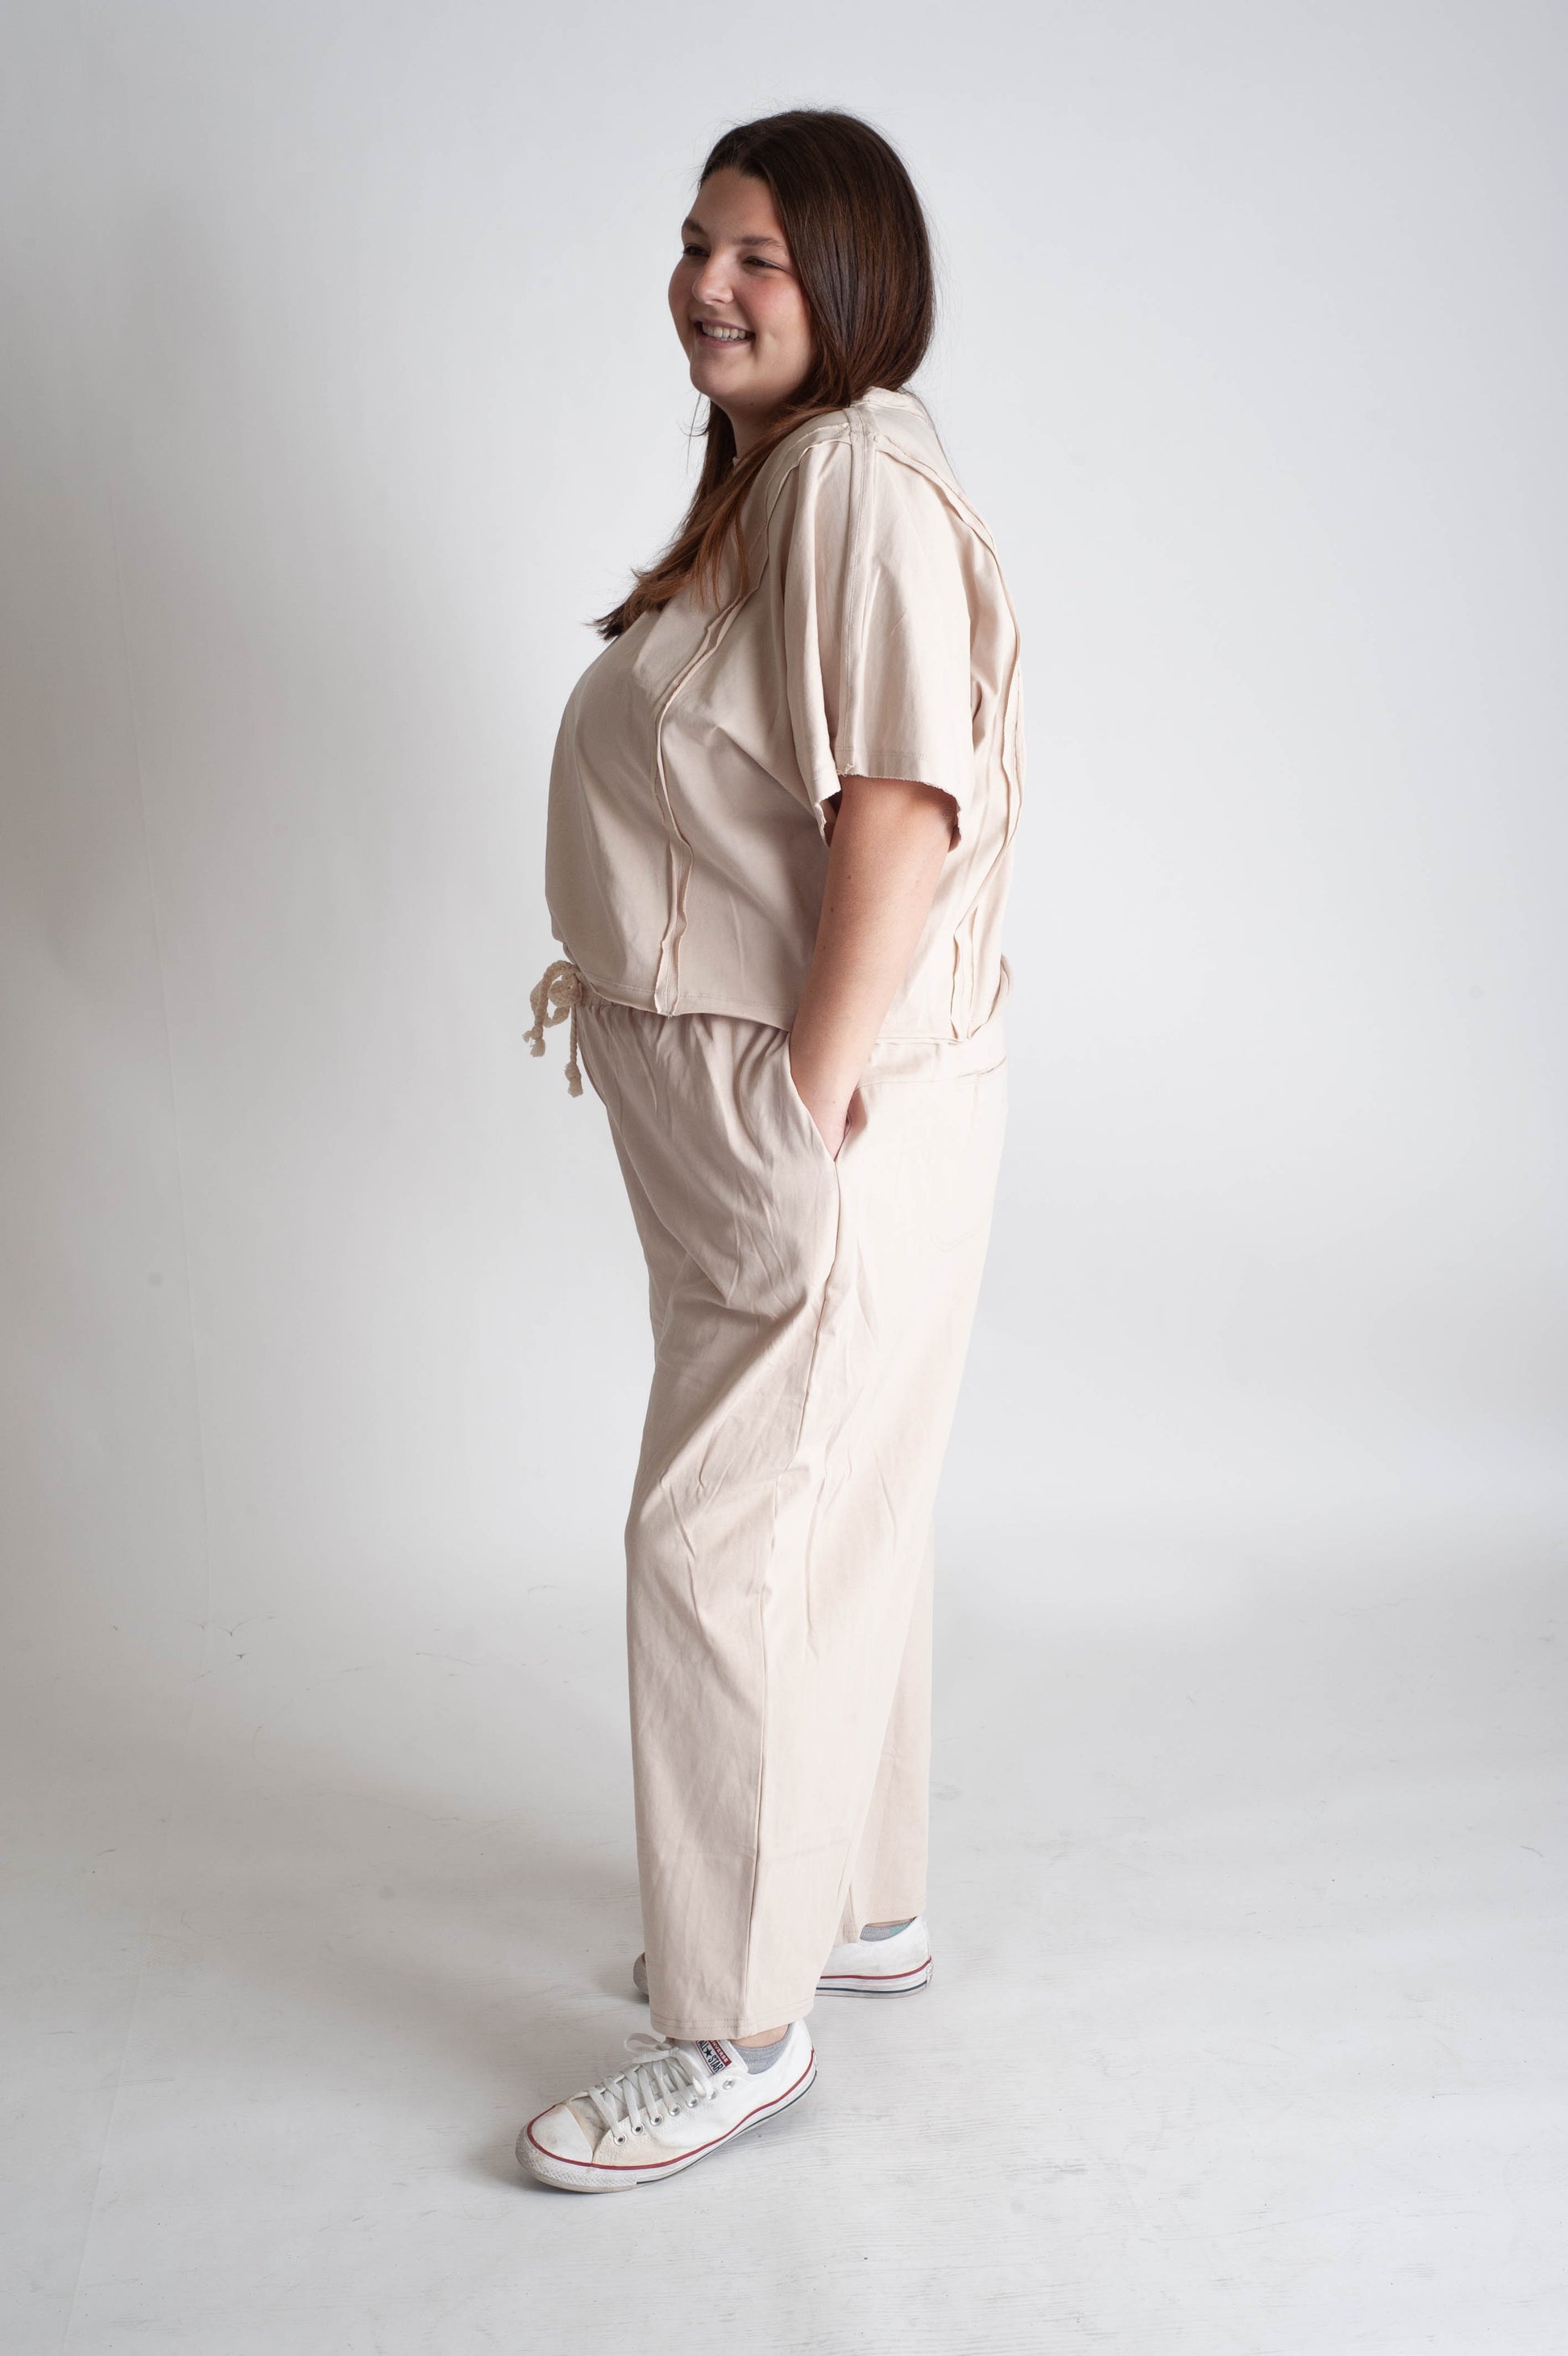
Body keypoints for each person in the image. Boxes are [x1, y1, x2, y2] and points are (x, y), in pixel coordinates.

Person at [517, 107, 1023, 2192]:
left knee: (718, 1536)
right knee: (831, 1498)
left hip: (803, 1109)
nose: (708, 284)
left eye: (761, 258)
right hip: (777, 1105)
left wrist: (803, 1100)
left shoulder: (856, 486)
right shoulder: (787, 481)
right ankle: (854, 1896)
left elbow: (895, 810)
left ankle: (731, 2021)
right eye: (695, 241)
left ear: (851, 287)